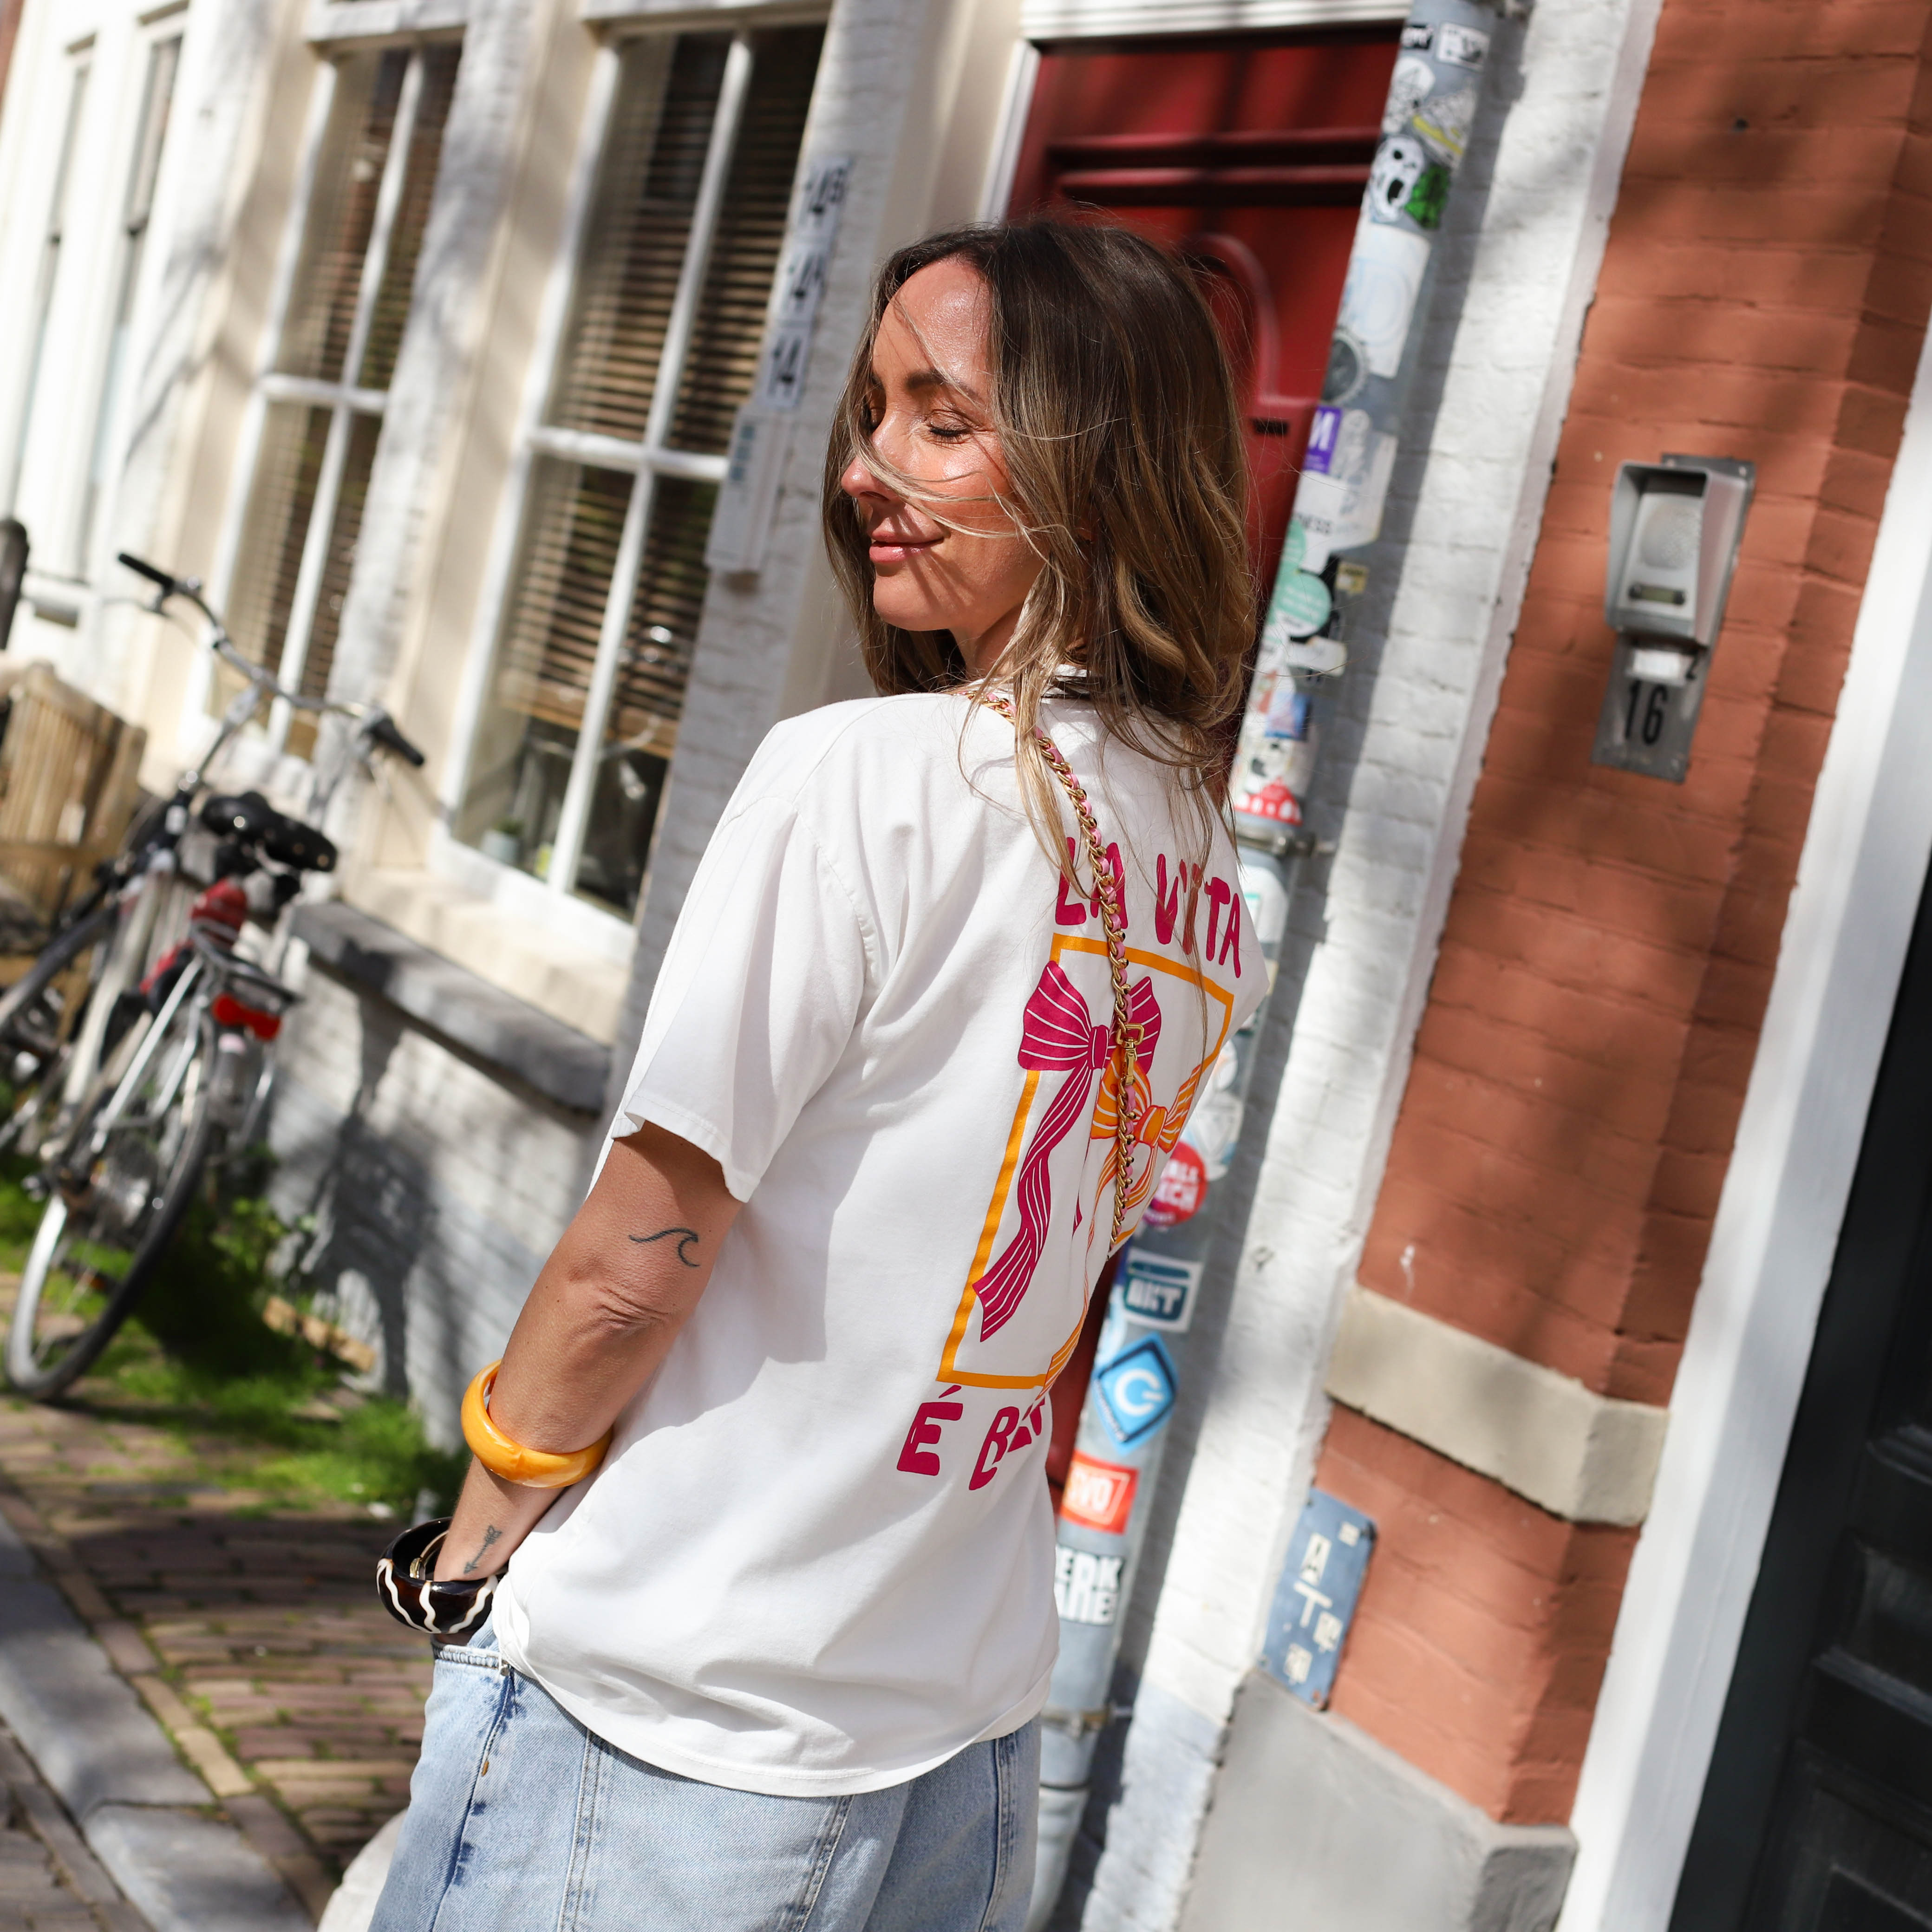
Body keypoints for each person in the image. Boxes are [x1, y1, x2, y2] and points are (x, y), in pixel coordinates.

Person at [370, 219, 1266, 1932]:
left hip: (676, 1719)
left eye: (944, 419)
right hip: (957, 1731)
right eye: (873, 412)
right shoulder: (1197, 850)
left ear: (1095, 471)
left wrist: (471, 1552)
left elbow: (636, 1258)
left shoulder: (858, 779)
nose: (867, 470)